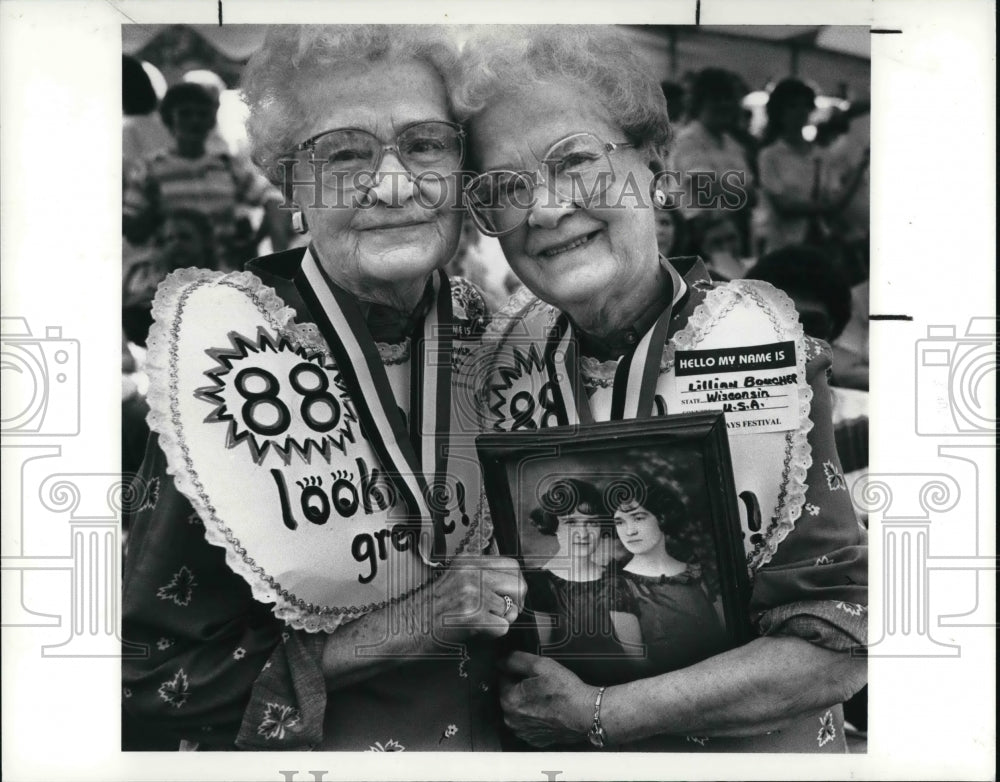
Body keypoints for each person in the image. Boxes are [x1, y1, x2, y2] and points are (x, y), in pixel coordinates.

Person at [456, 26, 867, 751]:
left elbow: (837, 646)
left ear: (657, 166)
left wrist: (599, 713)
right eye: (505, 188)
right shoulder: (493, 366)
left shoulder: (760, 356)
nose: (545, 210)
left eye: (576, 161)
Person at [123, 25, 525, 752]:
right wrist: (402, 630)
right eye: (345, 153)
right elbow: (143, 676)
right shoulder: (230, 359)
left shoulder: (502, 336)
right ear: (288, 184)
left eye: (426, 143)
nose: (396, 184)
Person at [123, 81, 290, 271]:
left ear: (211, 121)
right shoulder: (150, 169)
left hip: (224, 276)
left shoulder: (226, 166)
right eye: (185, 113)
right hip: (172, 281)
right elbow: (132, 233)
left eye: (202, 114)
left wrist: (261, 241)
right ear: (169, 118)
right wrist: (151, 209)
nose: (194, 121)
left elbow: (272, 197)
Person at [523, 478, 641, 687]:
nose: (583, 533)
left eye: (592, 523)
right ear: (553, 524)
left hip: (621, 695)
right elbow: (540, 667)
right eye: (571, 522)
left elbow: (635, 657)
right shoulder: (536, 584)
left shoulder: (615, 581)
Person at [612, 486, 729, 675]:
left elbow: (726, 637)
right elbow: (637, 661)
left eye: (638, 518)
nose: (629, 531)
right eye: (619, 522)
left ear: (662, 517)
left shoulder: (696, 574)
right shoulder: (620, 586)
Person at [757, 79, 869, 253]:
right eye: (792, 106)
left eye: (805, 106)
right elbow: (784, 207)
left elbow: (834, 197)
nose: (800, 112)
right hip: (783, 245)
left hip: (817, 243)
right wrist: (826, 208)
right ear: (779, 112)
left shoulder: (822, 156)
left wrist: (860, 168)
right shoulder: (770, 155)